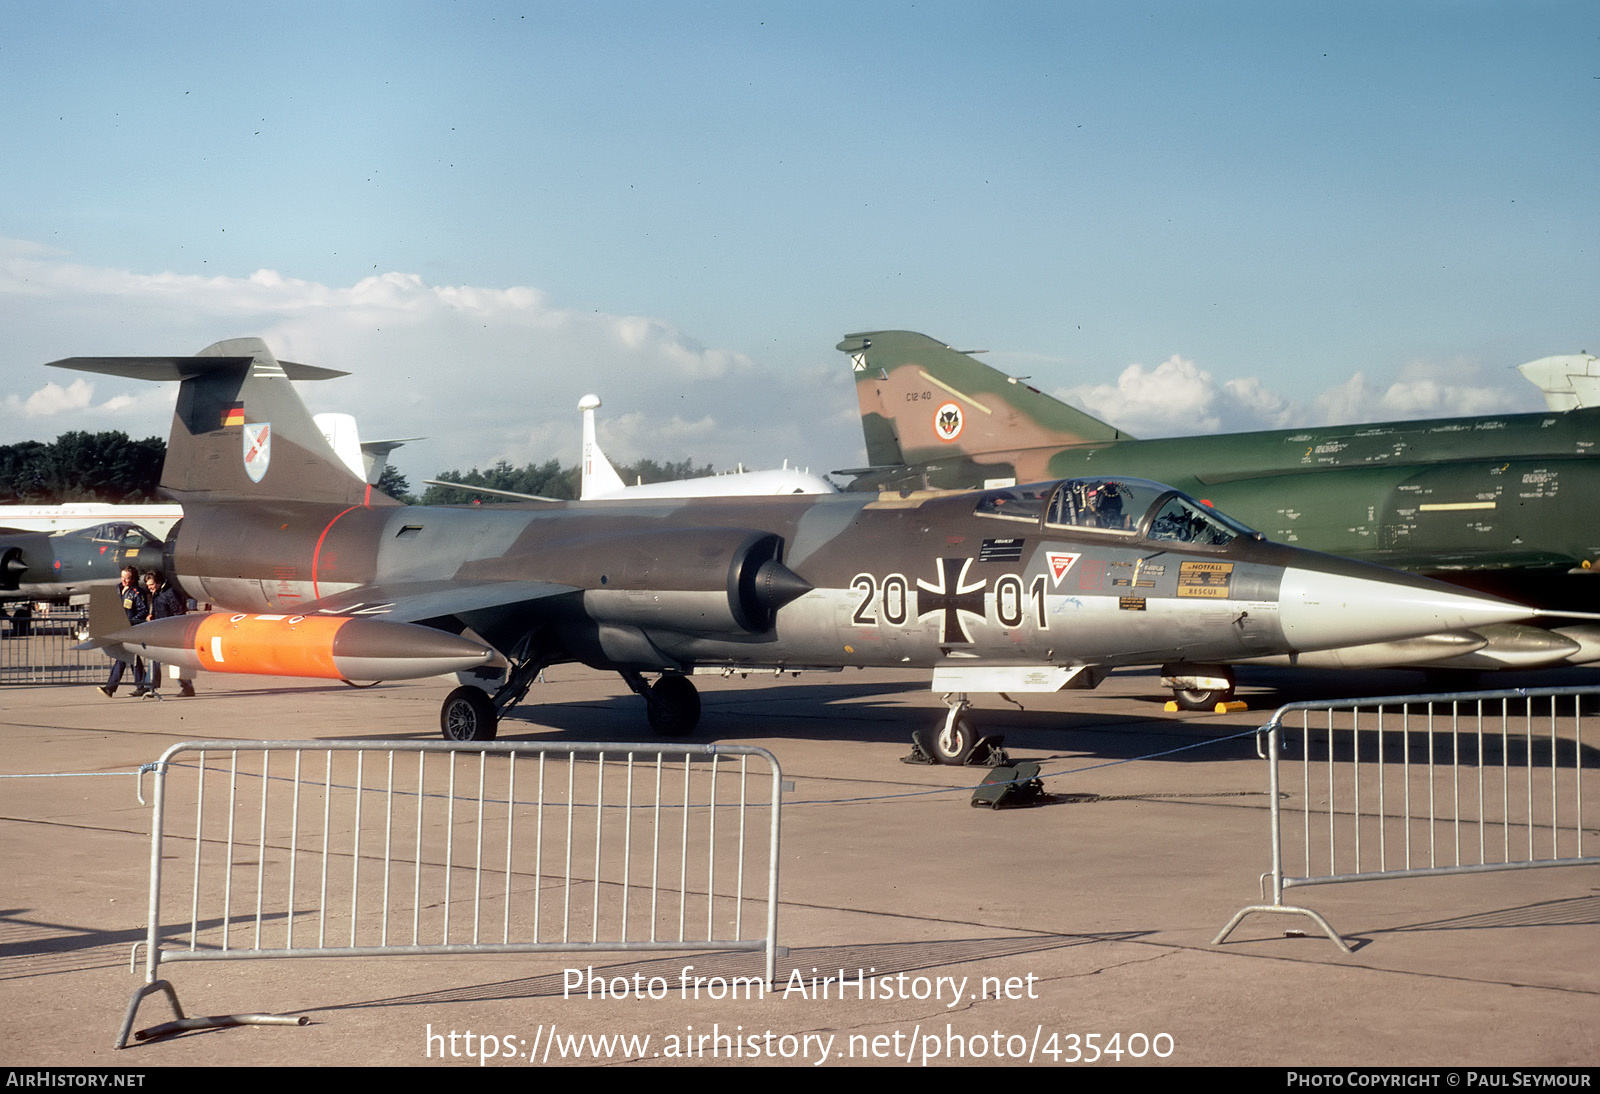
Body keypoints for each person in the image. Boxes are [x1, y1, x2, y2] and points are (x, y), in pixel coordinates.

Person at [140, 570, 195, 699]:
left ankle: (187, 686)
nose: (149, 588)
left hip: (172, 631)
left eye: (151, 584)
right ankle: (150, 686)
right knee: (153, 658)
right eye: (148, 585)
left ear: (158, 582)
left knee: (175, 661)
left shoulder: (170, 593)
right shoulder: (157, 593)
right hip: (159, 629)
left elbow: (179, 612)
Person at [98, 567, 147, 698]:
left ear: (133, 578)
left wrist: (130, 621)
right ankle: (144, 685)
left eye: (128, 578)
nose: (124, 580)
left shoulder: (137, 593)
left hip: (131, 629)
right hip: (118, 629)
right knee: (131, 659)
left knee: (123, 657)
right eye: (122, 577)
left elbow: (143, 611)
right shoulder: (117, 589)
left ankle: (110, 688)